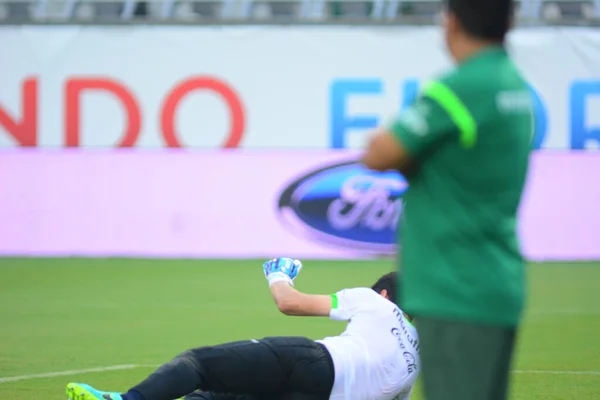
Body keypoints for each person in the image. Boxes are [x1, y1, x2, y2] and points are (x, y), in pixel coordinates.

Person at [361, 0, 532, 399]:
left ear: (450, 22)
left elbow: (379, 153)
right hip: (495, 280)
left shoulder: (461, 87)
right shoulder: (513, 85)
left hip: (453, 287)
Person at [65, 258, 420, 400]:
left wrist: (278, 273)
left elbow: (289, 303)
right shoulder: (417, 354)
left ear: (386, 294)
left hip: (314, 363)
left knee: (200, 365)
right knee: (220, 397)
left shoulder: (373, 301)